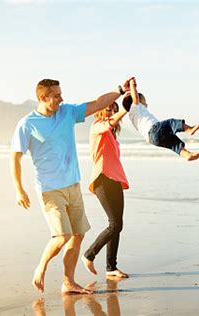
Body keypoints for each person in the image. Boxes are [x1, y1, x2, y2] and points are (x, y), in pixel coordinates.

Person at [10, 77, 133, 294]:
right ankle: (41, 267)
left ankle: (68, 282)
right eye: (56, 95)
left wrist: (119, 90)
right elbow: (16, 157)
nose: (61, 98)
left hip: (73, 185)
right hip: (49, 189)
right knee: (62, 236)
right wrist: (19, 188)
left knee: (78, 234)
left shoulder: (67, 112)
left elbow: (97, 103)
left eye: (60, 94)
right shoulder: (27, 124)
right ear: (43, 97)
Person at [81, 100, 130, 278]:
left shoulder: (112, 135)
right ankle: (89, 254)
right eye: (109, 108)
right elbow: (109, 123)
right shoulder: (97, 126)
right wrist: (125, 109)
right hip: (102, 179)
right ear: (100, 111)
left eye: (115, 109)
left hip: (115, 180)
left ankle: (111, 268)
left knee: (117, 225)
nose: (112, 111)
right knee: (114, 224)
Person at [123, 79, 199, 161]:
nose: (146, 103)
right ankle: (189, 129)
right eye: (144, 101)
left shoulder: (133, 115)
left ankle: (187, 155)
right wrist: (132, 85)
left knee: (173, 142)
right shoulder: (135, 107)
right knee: (171, 122)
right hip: (154, 130)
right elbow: (135, 97)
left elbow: (134, 98)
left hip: (152, 139)